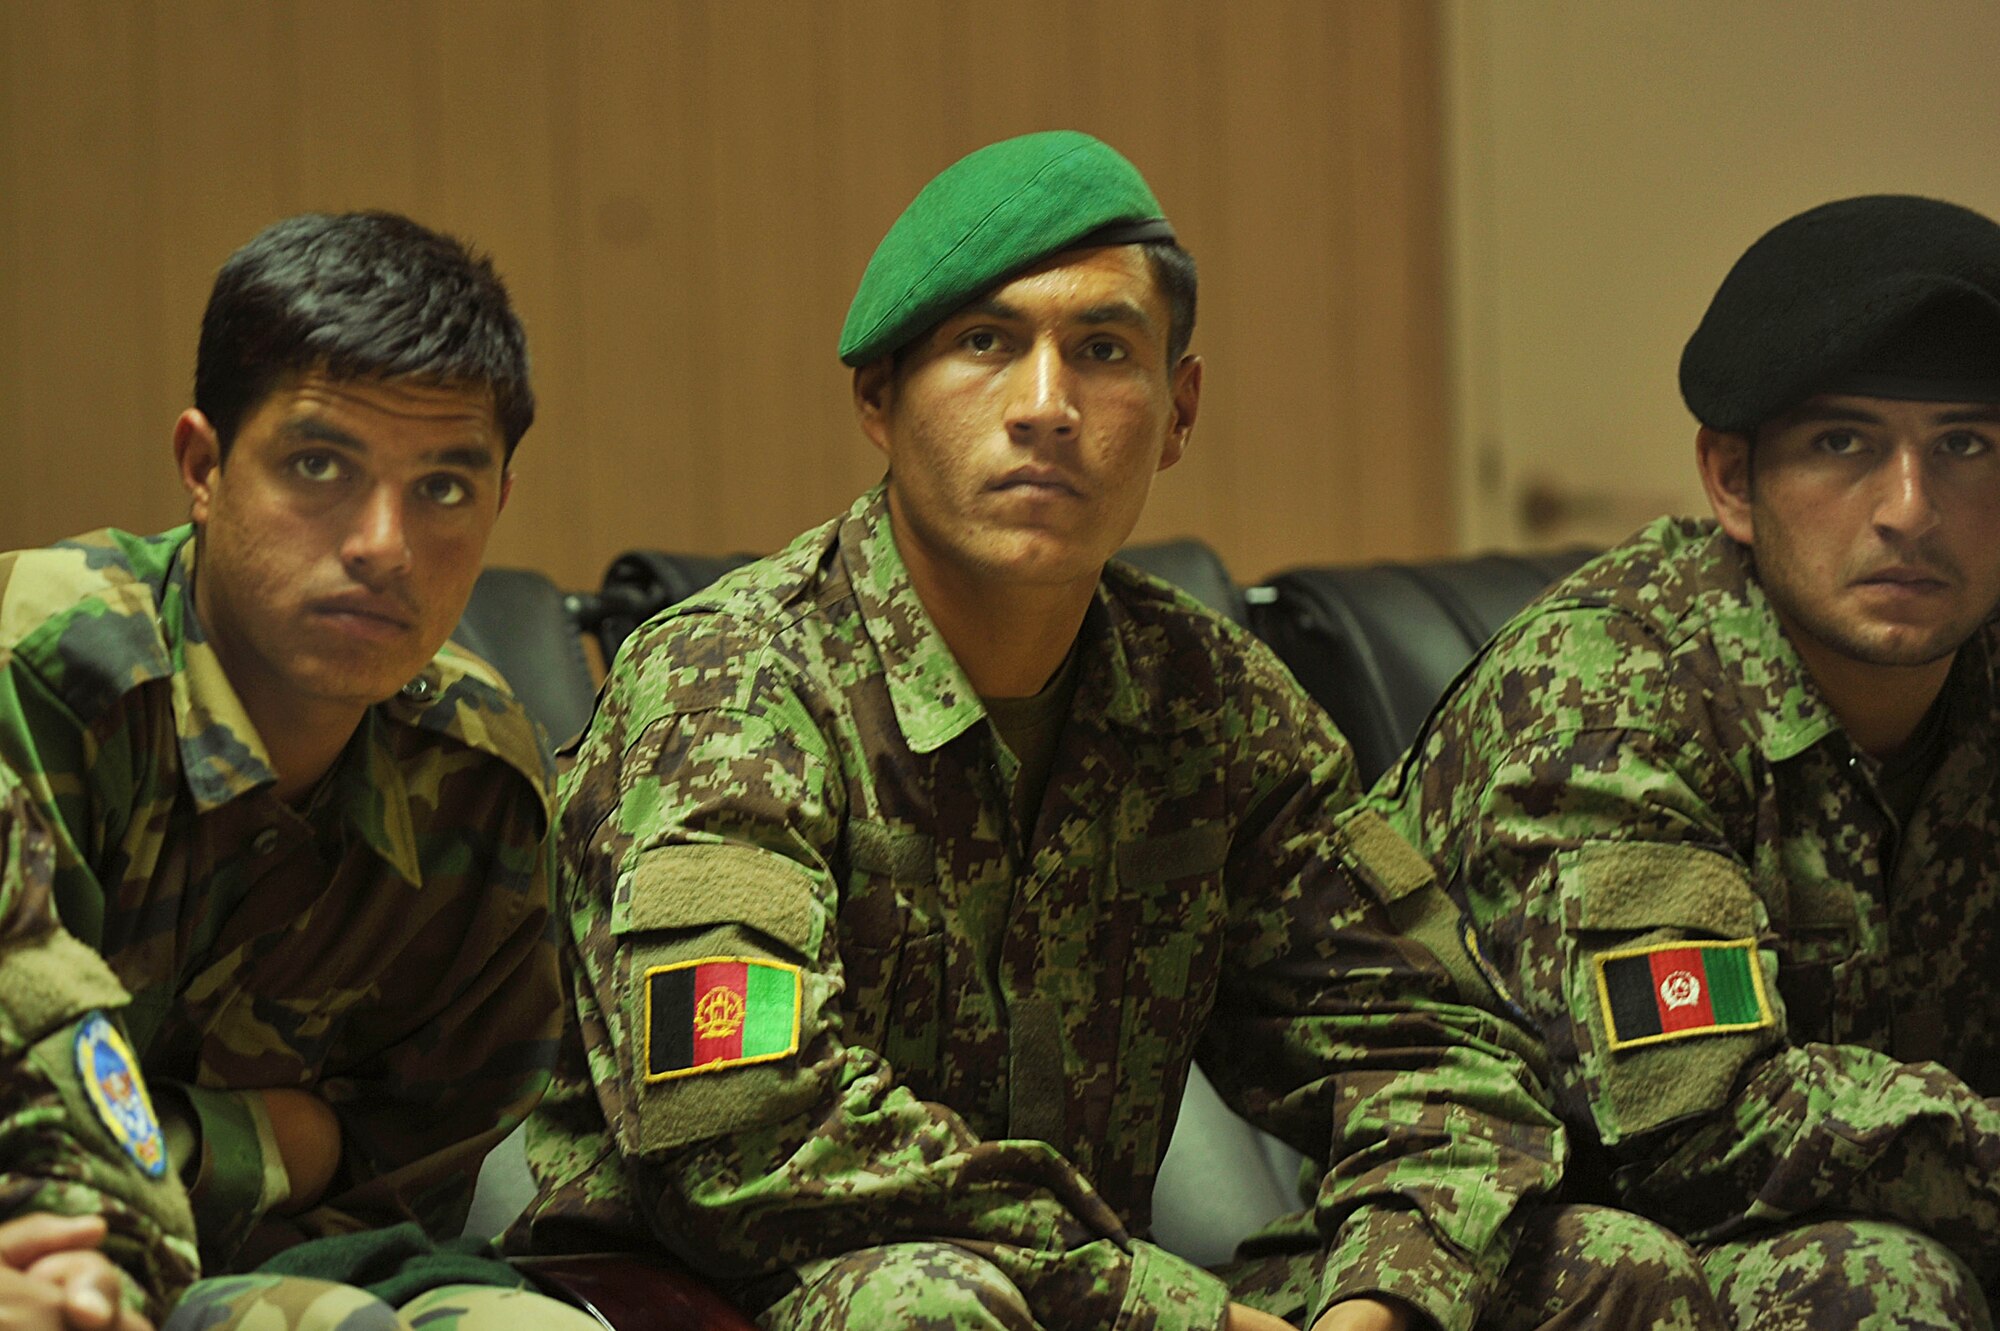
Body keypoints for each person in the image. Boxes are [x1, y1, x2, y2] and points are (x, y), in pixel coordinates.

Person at [510, 130, 1723, 1331]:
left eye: (1100, 351)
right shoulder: (730, 682)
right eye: (985, 344)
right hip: (723, 1288)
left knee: (1598, 1265)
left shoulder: (1209, 703)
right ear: (878, 399)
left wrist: (1382, 1298)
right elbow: (742, 1138)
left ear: (1177, 408)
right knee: (923, 1306)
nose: (1045, 406)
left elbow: (1437, 1053)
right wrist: (1177, 1314)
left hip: (1077, 1296)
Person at [1374, 193, 2000, 1328]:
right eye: (1841, 443)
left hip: (1841, 1220)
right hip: (1493, 1251)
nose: (1910, 510)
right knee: (1873, 1284)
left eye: (1963, 444)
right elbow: (1695, 1127)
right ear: (1728, 479)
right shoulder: (1600, 698)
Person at [0, 211, 591, 1330]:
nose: (382, 541)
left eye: (445, 488)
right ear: (204, 465)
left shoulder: (477, 772)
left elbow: (409, 1168)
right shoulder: (37, 681)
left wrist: (221, 1159)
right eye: (319, 465)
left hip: (303, 1263)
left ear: (499, 503)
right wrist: (275, 1136)